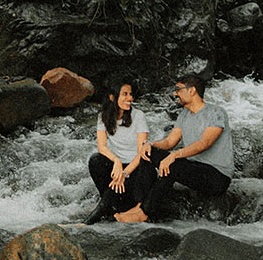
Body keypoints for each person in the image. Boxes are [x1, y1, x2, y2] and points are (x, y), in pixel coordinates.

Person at [113, 72, 233, 223]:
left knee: (172, 165)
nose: (174, 93)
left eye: (178, 89)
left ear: (192, 90)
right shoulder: (184, 115)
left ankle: (145, 213)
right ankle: (140, 204)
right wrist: (150, 144)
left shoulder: (216, 112)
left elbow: (205, 143)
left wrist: (174, 155)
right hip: (193, 169)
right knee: (148, 152)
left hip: (216, 176)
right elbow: (170, 142)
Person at [86, 80, 154, 222]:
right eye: (124, 94)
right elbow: (102, 147)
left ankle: (92, 219)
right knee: (95, 160)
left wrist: (124, 173)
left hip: (135, 168)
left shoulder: (138, 116)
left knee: (147, 163)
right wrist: (116, 161)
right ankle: (112, 204)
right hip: (118, 167)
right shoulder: (103, 116)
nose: (130, 98)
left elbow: (142, 152)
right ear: (112, 97)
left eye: (130, 94)